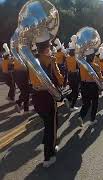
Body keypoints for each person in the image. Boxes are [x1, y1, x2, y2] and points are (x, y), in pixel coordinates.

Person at [30, 31, 64, 167]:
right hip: (48, 96)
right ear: (47, 48)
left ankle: (48, 143)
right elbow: (60, 79)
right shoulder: (51, 60)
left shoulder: (30, 60)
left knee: (47, 123)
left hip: (36, 97)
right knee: (52, 126)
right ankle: (48, 156)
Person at [78, 48, 103, 127]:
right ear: (93, 57)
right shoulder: (96, 66)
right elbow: (100, 78)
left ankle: (81, 116)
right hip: (92, 86)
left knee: (86, 103)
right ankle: (92, 119)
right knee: (95, 103)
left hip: (83, 85)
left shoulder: (81, 65)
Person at [65, 35, 80, 110]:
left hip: (69, 74)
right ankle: (71, 106)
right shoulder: (76, 58)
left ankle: (68, 99)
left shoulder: (67, 57)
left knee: (73, 89)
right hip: (75, 74)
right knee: (76, 91)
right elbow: (78, 66)